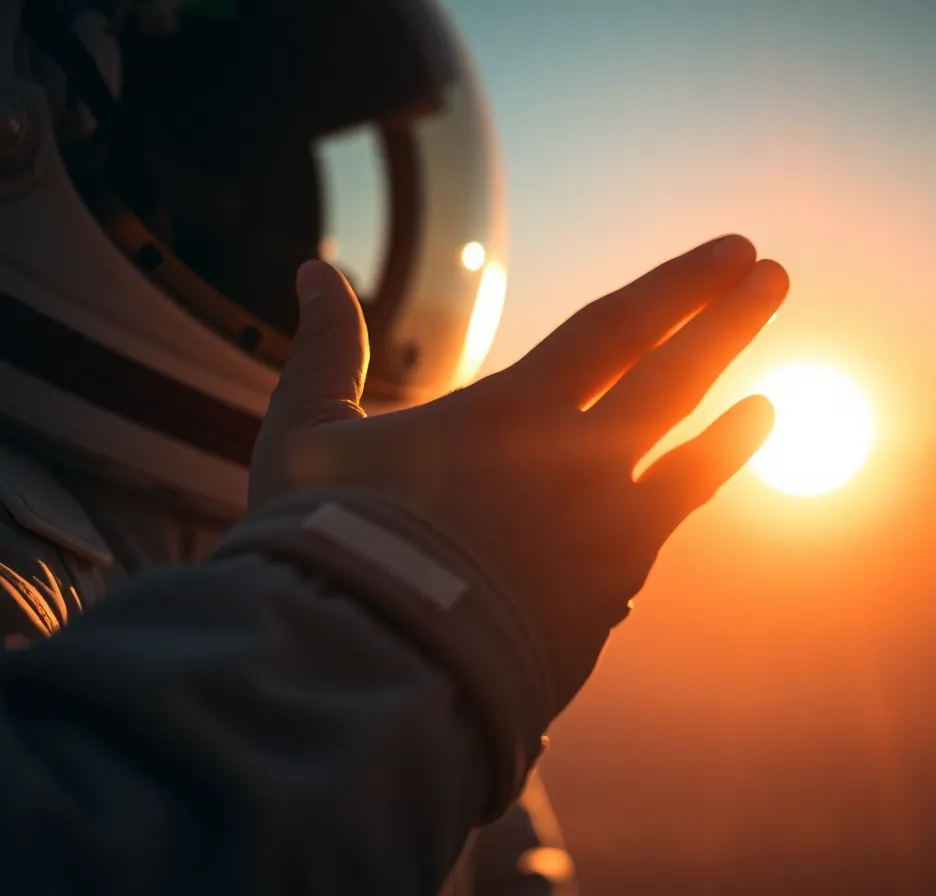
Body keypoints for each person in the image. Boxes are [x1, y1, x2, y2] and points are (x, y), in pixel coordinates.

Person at [0, 0, 790, 893]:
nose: (301, 250)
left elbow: (513, 867)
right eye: (216, 180)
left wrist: (400, 610)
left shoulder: (398, 597)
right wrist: (387, 604)